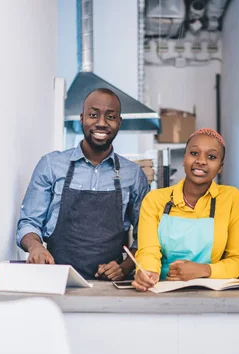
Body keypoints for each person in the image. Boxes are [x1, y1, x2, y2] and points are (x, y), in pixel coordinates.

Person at [16, 88, 149, 280]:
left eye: (110, 117)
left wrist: (126, 266)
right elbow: (29, 222)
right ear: (81, 118)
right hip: (56, 280)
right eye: (93, 115)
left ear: (119, 122)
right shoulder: (51, 165)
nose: (101, 123)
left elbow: (147, 234)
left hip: (110, 286)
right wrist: (36, 247)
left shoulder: (133, 174)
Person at [132, 128, 239, 291]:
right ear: (184, 158)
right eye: (194, 153)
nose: (201, 161)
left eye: (211, 157)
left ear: (220, 166)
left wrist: (203, 270)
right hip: (161, 289)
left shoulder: (231, 199)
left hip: (211, 294)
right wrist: (148, 271)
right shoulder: (155, 200)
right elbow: (148, 251)